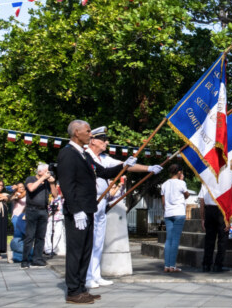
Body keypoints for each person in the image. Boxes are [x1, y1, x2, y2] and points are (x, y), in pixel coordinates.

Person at [57, 119, 138, 304]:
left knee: (86, 250)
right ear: (76, 133)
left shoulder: (84, 154)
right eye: (87, 131)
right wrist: (76, 210)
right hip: (77, 211)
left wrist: (124, 165)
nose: (90, 134)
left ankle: (81, 288)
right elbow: (67, 185)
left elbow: (103, 172)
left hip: (88, 209)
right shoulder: (68, 153)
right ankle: (73, 291)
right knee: (76, 251)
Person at [86, 127, 159, 287]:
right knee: (89, 241)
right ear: (93, 141)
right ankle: (87, 276)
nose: (106, 142)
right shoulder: (86, 156)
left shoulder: (103, 158)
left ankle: (95, 275)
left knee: (98, 241)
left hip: (102, 202)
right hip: (90, 201)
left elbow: (125, 166)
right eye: (103, 139)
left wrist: (148, 168)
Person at [22, 164, 58, 268]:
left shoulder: (47, 182)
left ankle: (37, 259)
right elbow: (31, 188)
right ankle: (25, 260)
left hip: (44, 210)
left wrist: (52, 183)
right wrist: (42, 178)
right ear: (39, 172)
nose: (48, 173)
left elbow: (55, 195)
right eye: (46, 171)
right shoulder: (31, 179)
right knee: (30, 236)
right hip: (32, 209)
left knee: (41, 237)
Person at [161, 164, 189, 273]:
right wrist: (181, 180)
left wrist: (166, 210)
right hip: (179, 212)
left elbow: (163, 201)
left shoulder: (164, 184)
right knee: (175, 240)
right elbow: (186, 195)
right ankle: (172, 266)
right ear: (179, 172)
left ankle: (166, 266)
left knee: (168, 240)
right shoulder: (181, 183)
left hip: (168, 213)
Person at [199, 183, 229, 273]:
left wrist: (202, 218)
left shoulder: (205, 180)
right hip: (221, 210)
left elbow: (201, 201)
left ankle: (206, 264)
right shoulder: (225, 180)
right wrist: (228, 219)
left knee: (209, 239)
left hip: (209, 210)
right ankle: (218, 265)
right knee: (222, 239)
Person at [44, 187, 66, 257]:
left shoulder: (61, 199)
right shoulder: (50, 198)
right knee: (48, 233)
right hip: (50, 217)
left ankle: (52, 248)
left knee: (58, 234)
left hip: (60, 217)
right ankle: (47, 248)